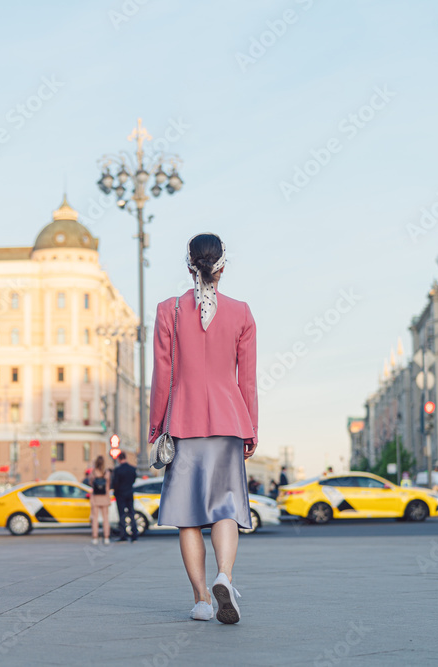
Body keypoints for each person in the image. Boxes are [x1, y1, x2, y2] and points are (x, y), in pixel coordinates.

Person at [150, 232, 257, 625]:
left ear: (189, 265)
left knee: (188, 517)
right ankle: (224, 577)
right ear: (222, 267)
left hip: (183, 423)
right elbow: (247, 379)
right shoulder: (242, 312)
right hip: (230, 422)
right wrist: (252, 429)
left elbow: (163, 375)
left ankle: (200, 601)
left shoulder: (168, 310)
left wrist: (156, 425)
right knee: (227, 507)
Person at [112, 452, 138, 543]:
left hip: (120, 495)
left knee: (122, 515)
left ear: (119, 459)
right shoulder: (132, 469)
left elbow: (115, 483)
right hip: (130, 493)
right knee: (131, 513)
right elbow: (134, 480)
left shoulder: (117, 470)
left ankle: (124, 535)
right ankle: (134, 535)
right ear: (126, 457)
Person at [88, 456, 111, 545]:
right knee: (106, 518)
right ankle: (106, 537)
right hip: (104, 497)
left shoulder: (93, 472)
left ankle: (95, 537)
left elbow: (90, 483)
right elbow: (108, 485)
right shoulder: (107, 472)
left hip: (95, 497)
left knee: (95, 518)